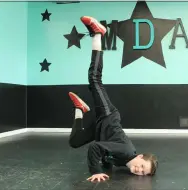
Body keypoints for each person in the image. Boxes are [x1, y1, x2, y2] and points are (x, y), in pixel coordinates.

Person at [68, 16, 158, 182]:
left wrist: (105, 162)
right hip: (107, 116)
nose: (139, 171)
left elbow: (107, 155)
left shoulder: (124, 160)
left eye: (142, 173)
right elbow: (96, 147)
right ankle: (98, 34)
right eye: (142, 167)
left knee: (74, 141)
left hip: (100, 129)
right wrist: (96, 170)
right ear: (140, 156)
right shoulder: (126, 151)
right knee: (94, 78)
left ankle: (80, 109)